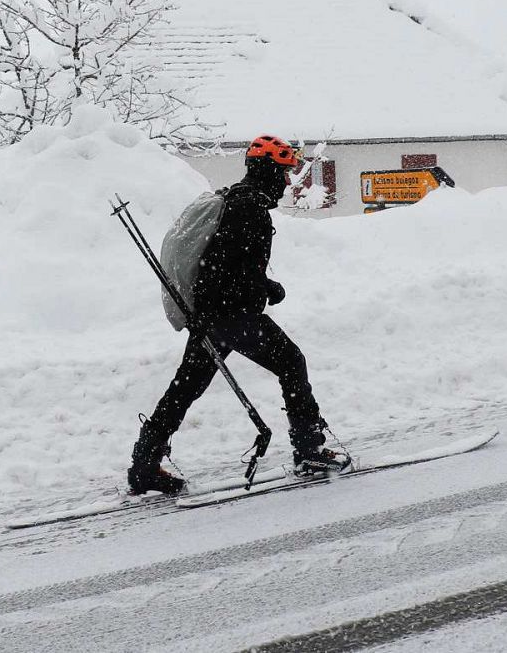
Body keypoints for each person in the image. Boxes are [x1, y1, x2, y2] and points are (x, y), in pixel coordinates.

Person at [128, 135, 349, 495]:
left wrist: (261, 288)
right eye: (283, 173)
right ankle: (310, 451)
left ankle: (144, 465)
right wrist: (260, 290)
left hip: (213, 316)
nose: (287, 182)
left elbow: (227, 263)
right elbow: (226, 270)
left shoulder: (236, 200)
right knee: (292, 362)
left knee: (186, 388)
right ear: (267, 173)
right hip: (232, 316)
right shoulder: (250, 211)